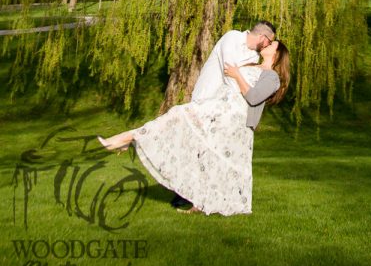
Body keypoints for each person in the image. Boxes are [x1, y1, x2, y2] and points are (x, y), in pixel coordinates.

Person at [97, 38, 290, 216]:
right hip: (220, 109)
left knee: (181, 115)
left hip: (232, 118)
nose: (267, 44)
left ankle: (129, 138)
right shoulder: (252, 64)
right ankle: (199, 203)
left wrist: (238, 74)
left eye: (272, 44)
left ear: (278, 54)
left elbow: (254, 97)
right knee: (204, 154)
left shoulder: (271, 77)